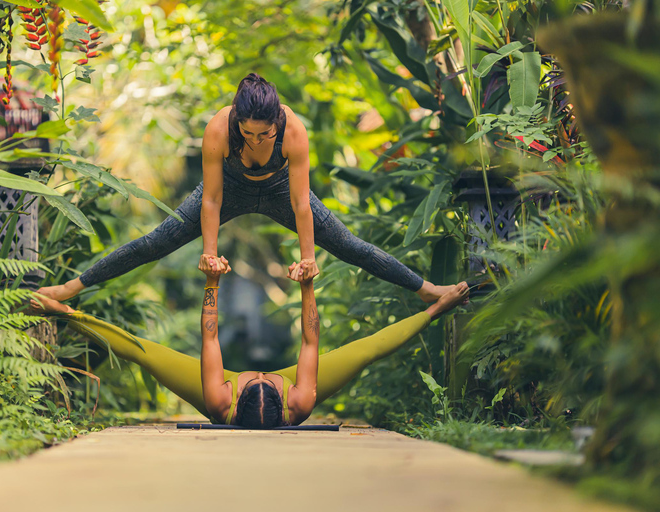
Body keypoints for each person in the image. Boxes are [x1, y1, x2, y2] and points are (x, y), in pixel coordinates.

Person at [36, 73, 457, 304]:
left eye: (264, 134)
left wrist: (308, 259)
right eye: (248, 133)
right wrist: (208, 250)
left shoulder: (294, 131)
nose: (256, 140)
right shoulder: (219, 128)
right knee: (154, 241)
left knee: (349, 244)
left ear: (277, 122)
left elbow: (300, 203)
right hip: (231, 189)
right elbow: (213, 198)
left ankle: (427, 291)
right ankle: (68, 290)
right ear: (237, 121)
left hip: (279, 192)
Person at [31, 259, 469, 428]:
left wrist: (211, 284)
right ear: (285, 393)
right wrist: (307, 287)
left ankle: (61, 311)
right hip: (277, 394)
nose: (263, 375)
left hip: (219, 388)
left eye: (258, 380)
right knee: (368, 350)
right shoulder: (301, 397)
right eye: (267, 379)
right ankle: (437, 307)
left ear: (237, 396)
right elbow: (312, 342)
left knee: (142, 352)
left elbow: (209, 335)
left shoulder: (218, 396)